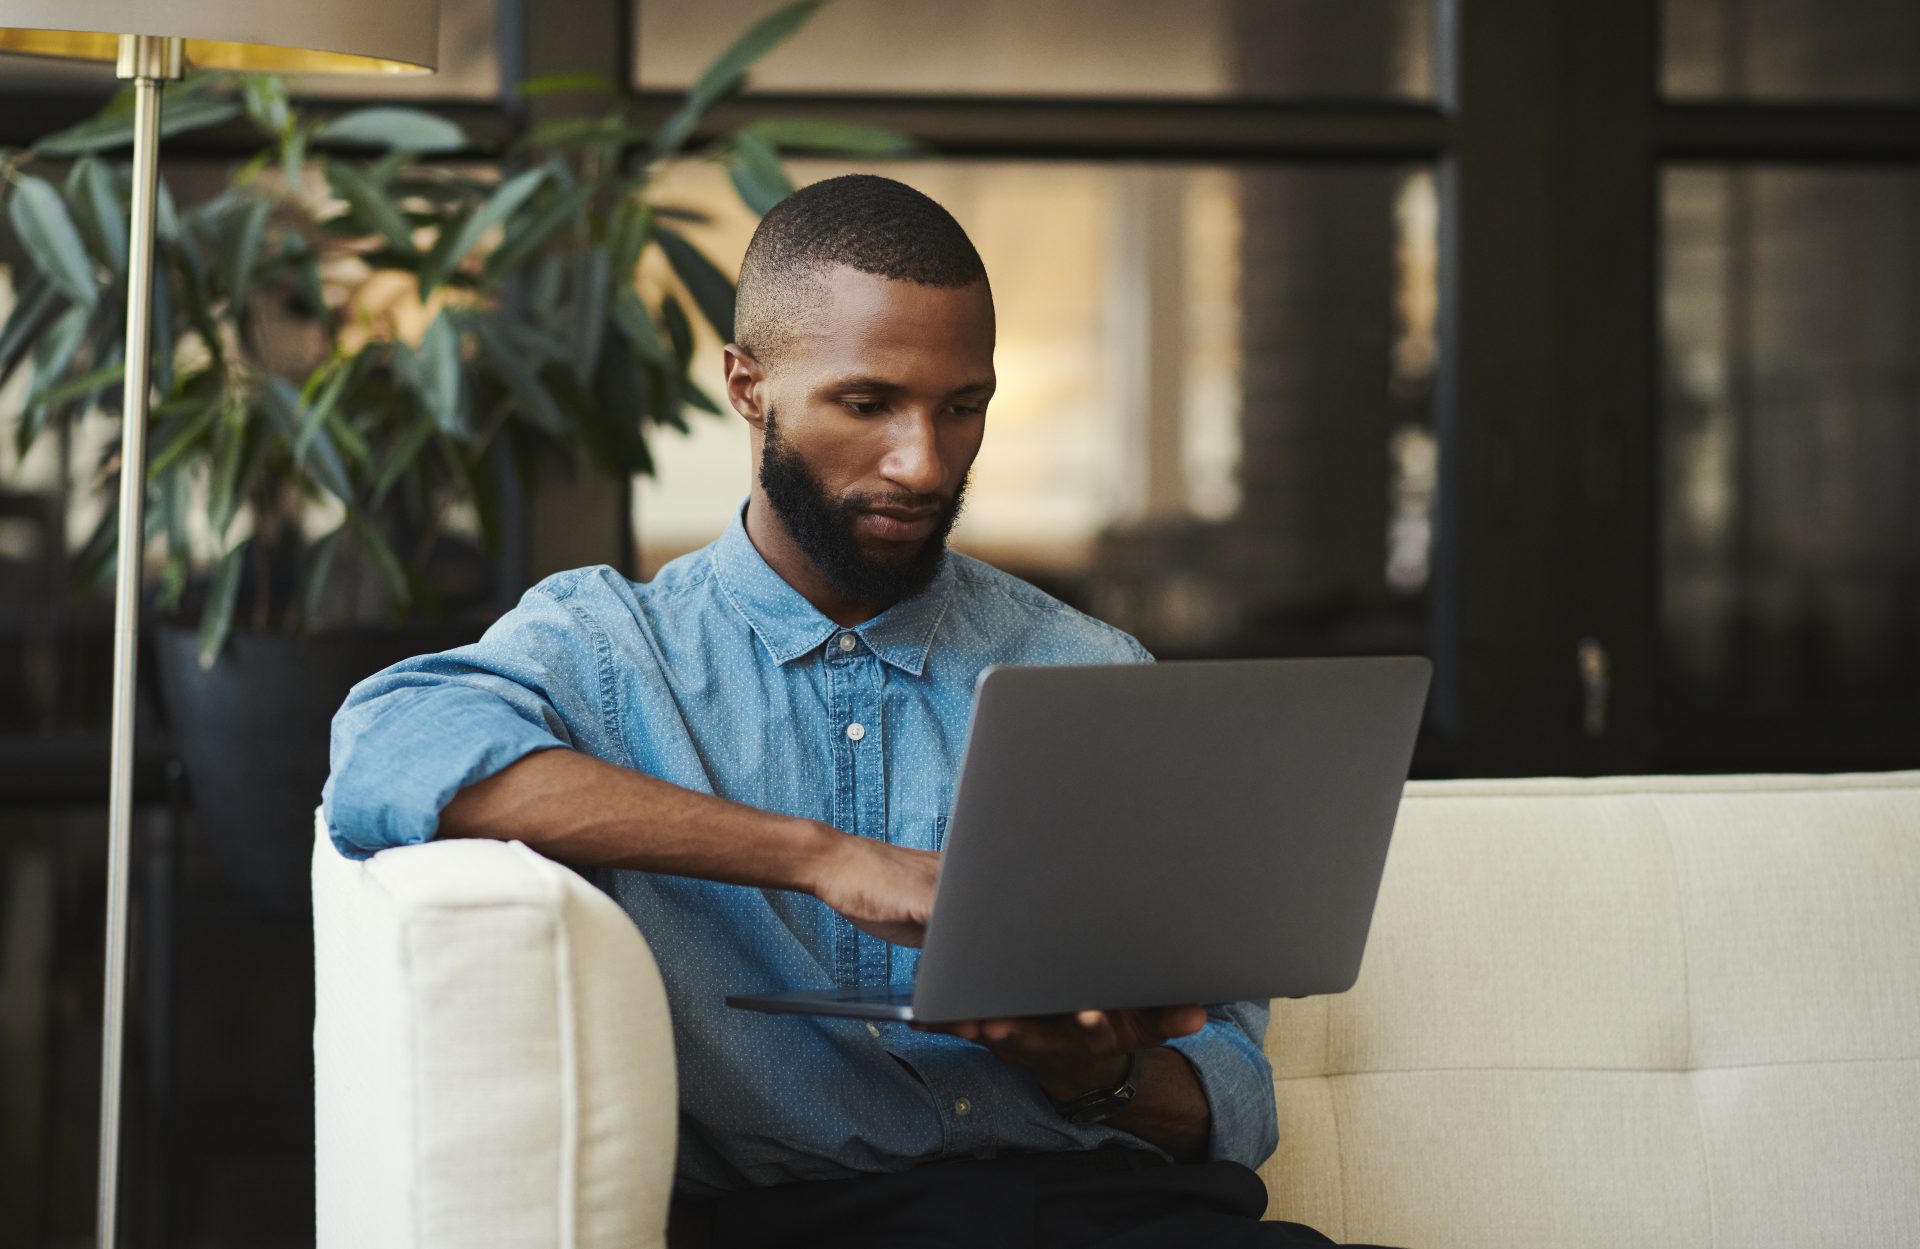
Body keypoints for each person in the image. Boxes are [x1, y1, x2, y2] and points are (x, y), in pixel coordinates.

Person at [324, 174, 1395, 1248]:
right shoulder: (612, 652)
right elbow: (388, 752)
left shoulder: (1092, 669)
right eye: (869, 402)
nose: (923, 463)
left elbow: (1230, 1094)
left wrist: (1099, 1074)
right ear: (750, 386)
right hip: (806, 1225)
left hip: (1126, 1218)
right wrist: (818, 855)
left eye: (961, 406)